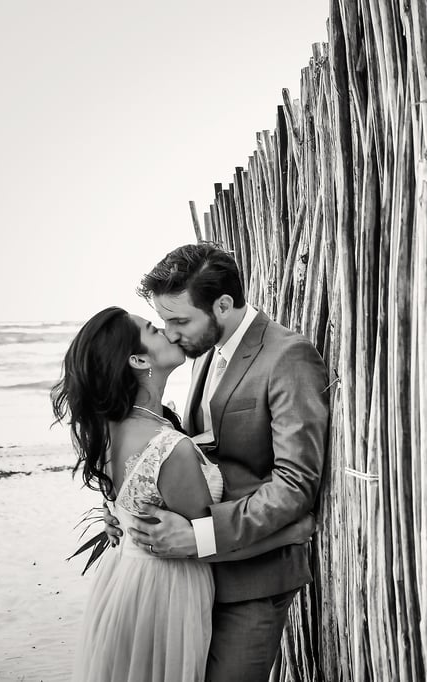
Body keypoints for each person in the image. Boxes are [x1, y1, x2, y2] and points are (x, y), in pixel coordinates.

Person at [104, 243, 330, 680]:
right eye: (164, 320)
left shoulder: (287, 357)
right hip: (194, 581)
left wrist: (198, 537)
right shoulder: (203, 349)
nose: (169, 334)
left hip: (253, 580)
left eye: (179, 320)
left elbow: (296, 483)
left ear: (223, 305)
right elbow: (197, 453)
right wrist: (128, 509)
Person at [52, 307, 314, 682]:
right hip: (165, 594)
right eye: (154, 329)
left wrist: (117, 517)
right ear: (139, 359)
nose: (168, 333)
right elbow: (204, 544)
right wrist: (290, 533)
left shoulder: (115, 428)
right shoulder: (167, 448)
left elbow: (130, 496)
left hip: (124, 585)